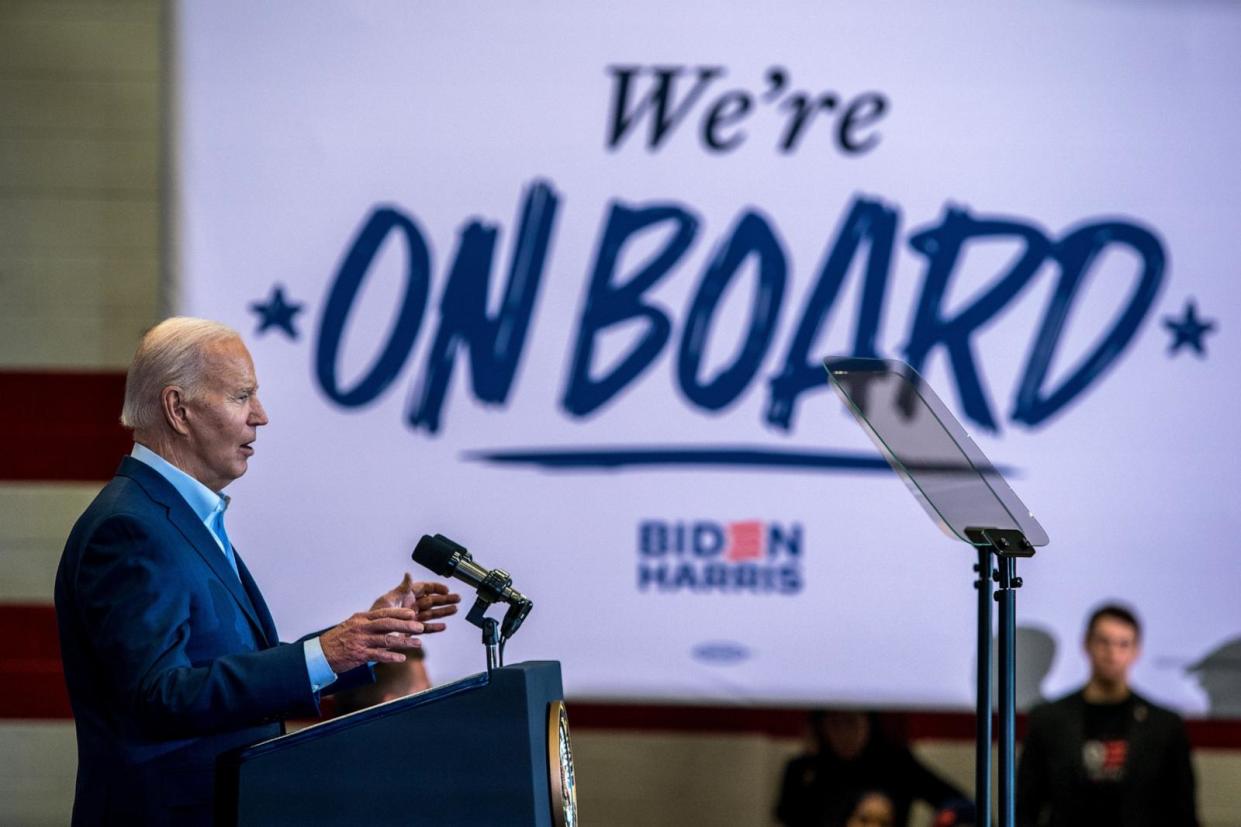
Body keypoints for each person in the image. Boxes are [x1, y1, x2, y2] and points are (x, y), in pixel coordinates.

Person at [54, 317, 461, 826]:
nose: (261, 416)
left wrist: (365, 641)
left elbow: (232, 668)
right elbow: (158, 696)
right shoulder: (129, 528)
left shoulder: (179, 518)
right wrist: (326, 653)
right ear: (178, 409)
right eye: (241, 396)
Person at [1016, 603, 1199, 826]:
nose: (1112, 653)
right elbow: (1025, 805)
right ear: (1087, 644)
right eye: (1104, 642)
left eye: (1123, 644)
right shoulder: (1049, 720)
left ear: (1136, 651)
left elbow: (1183, 811)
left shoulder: (1164, 726)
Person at [775, 710, 966, 827]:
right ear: (821, 727)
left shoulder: (896, 764)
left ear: (868, 723)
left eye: (851, 722)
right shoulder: (805, 769)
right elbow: (786, 817)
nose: (844, 733)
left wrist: (948, 816)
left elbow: (957, 803)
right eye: (834, 723)